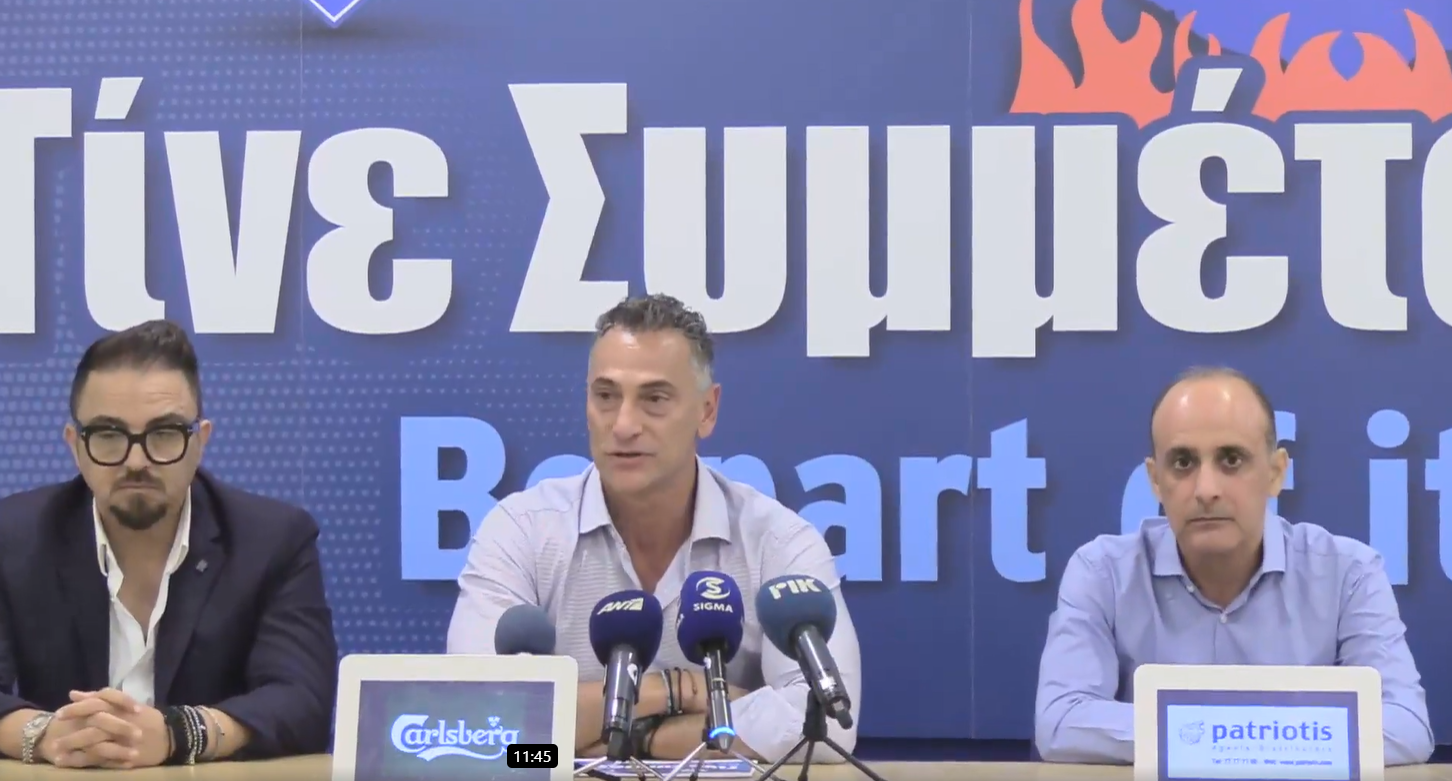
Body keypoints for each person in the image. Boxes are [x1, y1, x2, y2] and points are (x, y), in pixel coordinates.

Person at [446, 293, 861, 763]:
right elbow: (481, 720)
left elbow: (825, 725)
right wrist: (677, 690)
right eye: (606, 396)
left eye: (654, 399)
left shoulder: (777, 541)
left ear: (707, 410)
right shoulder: (521, 531)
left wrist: (633, 740)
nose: (623, 425)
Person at [1034, 366, 1433, 766]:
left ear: (1276, 473)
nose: (1206, 490)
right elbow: (1061, 721)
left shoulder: (1349, 574)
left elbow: (1407, 724)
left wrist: (1207, 736)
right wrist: (1266, 738)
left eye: (1231, 459)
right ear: (1155, 480)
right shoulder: (1102, 573)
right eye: (1183, 463)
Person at [0, 320, 338, 768]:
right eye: (109, 435)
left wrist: (180, 733)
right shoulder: (13, 536)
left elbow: (303, 700)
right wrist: (44, 735)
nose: (136, 461)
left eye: (164, 434)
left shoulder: (273, 539)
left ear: (200, 441)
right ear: (75, 446)